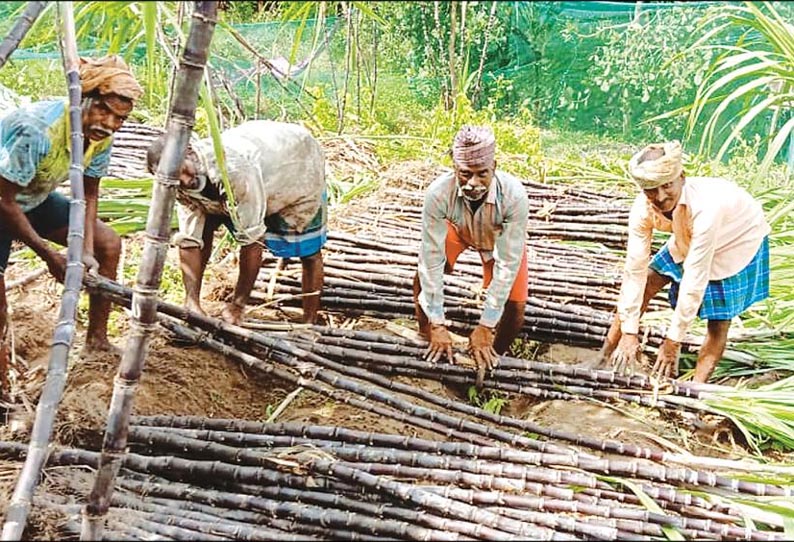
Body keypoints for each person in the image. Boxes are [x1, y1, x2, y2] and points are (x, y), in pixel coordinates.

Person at [0, 55, 143, 395]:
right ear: (83, 101)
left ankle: (96, 340)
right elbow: (3, 201)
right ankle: (2, 384)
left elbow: (88, 194)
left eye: (119, 118)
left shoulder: (101, 134)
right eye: (103, 111)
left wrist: (86, 250)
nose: (109, 123)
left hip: (31, 198)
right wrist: (51, 256)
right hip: (3, 199)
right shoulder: (36, 131)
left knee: (109, 244)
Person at [600, 140, 771, 383]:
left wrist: (672, 342)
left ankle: (695, 390)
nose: (659, 197)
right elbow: (634, 270)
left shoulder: (706, 209)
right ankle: (603, 355)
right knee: (648, 280)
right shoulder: (642, 208)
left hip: (738, 237)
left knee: (719, 319)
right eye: (650, 189)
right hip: (689, 235)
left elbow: (694, 278)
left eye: (666, 185)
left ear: (682, 177)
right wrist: (629, 332)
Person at [146, 120, 327, 326]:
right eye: (171, 177)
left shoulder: (233, 171)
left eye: (181, 170)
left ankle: (310, 321)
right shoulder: (172, 182)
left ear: (189, 152)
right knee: (202, 226)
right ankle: (192, 301)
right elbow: (189, 240)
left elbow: (251, 241)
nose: (183, 181)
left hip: (295, 163)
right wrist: (191, 302)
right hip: (254, 166)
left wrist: (238, 305)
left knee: (308, 250)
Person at [413, 125, 529, 372]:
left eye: (481, 173)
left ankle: (493, 353)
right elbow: (430, 257)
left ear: (494, 167)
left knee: (516, 305)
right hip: (458, 229)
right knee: (420, 277)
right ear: (454, 169)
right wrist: (438, 323)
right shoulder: (438, 193)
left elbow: (508, 264)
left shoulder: (514, 196)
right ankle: (426, 335)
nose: (473, 183)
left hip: (496, 237)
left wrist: (486, 325)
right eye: (465, 174)